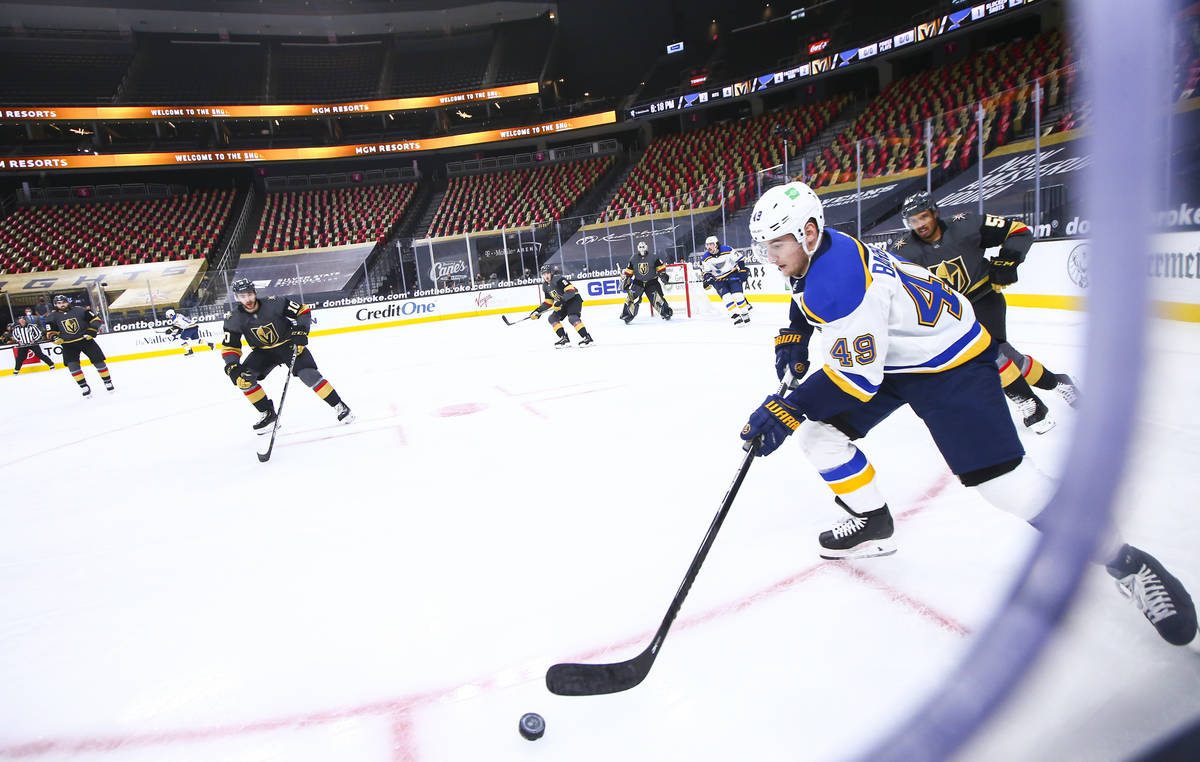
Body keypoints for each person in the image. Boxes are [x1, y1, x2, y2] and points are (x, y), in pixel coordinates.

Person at [738, 181, 1196, 647]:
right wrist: (795, 331)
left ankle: (1126, 561)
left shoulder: (836, 280)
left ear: (809, 232)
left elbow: (857, 379)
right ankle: (873, 523)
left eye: (777, 244)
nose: (770, 256)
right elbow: (809, 297)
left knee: (1004, 484)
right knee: (820, 436)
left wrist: (786, 409)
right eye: (765, 246)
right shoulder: (828, 247)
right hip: (899, 354)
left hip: (950, 362)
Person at [893, 192, 1079, 433]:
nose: (920, 225)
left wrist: (1008, 261)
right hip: (952, 312)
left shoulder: (966, 225)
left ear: (935, 212)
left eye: (923, 217)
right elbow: (889, 286)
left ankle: (1031, 404)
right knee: (1008, 357)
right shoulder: (903, 251)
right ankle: (1058, 382)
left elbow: (1019, 231)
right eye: (913, 222)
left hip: (984, 297)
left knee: (988, 353)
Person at [220, 278, 353, 433]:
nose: (247, 299)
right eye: (242, 296)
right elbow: (230, 346)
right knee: (244, 379)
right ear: (237, 298)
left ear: (255, 293)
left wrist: (301, 332)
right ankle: (268, 415)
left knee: (308, 375)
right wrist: (232, 366)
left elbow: (302, 311)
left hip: (288, 344)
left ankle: (339, 405)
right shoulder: (233, 319)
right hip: (262, 352)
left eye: (249, 294)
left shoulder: (274, 302)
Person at [44, 294, 113, 397]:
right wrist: (54, 338)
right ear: (55, 305)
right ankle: (83, 386)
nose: (62, 305)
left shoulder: (80, 310)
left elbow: (96, 320)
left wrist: (91, 331)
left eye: (63, 302)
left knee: (99, 361)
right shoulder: (52, 317)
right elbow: (50, 332)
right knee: (73, 366)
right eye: (59, 303)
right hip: (68, 345)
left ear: (68, 302)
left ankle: (107, 381)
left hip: (85, 340)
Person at [529, 264, 594, 347]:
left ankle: (587, 338)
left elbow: (571, 291)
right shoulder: (545, 286)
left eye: (547, 273)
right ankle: (564, 339)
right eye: (544, 274)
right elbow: (548, 302)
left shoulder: (559, 279)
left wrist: (560, 301)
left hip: (573, 299)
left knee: (572, 318)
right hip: (563, 302)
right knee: (552, 318)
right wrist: (538, 311)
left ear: (551, 273)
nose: (546, 276)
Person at [700, 234, 752, 325]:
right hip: (718, 280)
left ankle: (744, 313)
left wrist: (743, 270)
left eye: (711, 244)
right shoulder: (705, 258)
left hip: (732, 274)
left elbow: (740, 259)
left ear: (716, 244)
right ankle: (736, 317)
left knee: (738, 296)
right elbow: (706, 272)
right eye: (707, 245)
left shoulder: (727, 249)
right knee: (727, 298)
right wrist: (708, 278)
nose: (709, 247)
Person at [619, 241, 672, 323]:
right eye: (640, 247)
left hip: (652, 282)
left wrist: (663, 275)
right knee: (631, 298)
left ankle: (665, 312)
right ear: (637, 248)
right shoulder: (633, 258)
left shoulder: (654, 257)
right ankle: (627, 315)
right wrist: (626, 281)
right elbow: (629, 272)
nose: (642, 249)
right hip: (638, 283)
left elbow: (661, 269)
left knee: (657, 299)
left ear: (646, 247)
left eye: (643, 247)